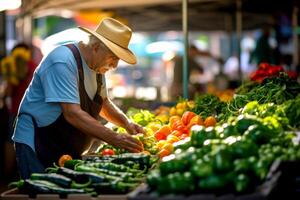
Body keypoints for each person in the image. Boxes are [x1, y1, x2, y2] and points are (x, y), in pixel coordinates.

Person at [12, 17, 144, 179]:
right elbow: (72, 113)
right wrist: (114, 138)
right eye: (113, 58)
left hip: (64, 144)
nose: (115, 66)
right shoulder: (62, 61)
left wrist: (127, 124)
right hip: (38, 142)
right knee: (41, 193)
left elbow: (103, 103)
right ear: (96, 47)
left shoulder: (97, 67)